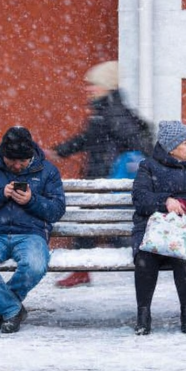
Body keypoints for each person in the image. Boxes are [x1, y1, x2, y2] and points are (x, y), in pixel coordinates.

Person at [45, 60, 153, 288]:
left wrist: (121, 164)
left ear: (107, 86)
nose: (89, 89)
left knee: (102, 226)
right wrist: (60, 151)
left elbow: (138, 142)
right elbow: (87, 138)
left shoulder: (113, 112)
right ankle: (83, 270)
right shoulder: (104, 109)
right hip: (100, 178)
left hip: (107, 180)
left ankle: (141, 259)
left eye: (94, 85)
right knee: (92, 226)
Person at [0, 126, 66, 333]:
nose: (18, 165)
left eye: (23, 161)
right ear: (3, 154)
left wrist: (32, 200)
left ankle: (0, 308)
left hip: (31, 234)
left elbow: (56, 210)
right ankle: (12, 309)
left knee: (35, 266)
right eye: (13, 161)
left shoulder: (47, 171)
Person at [131, 121, 186, 335]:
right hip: (153, 229)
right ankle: (143, 314)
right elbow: (141, 198)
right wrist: (165, 202)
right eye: (185, 142)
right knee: (145, 258)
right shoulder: (149, 166)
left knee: (184, 257)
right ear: (170, 148)